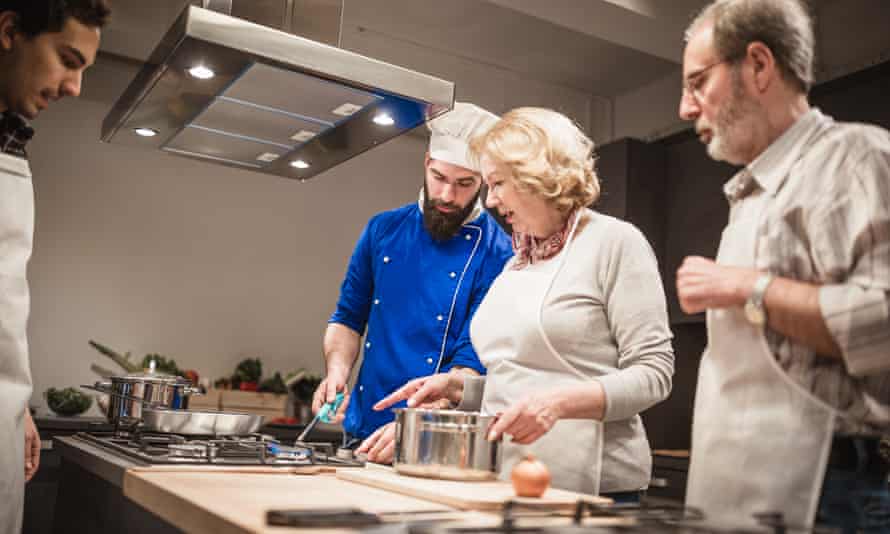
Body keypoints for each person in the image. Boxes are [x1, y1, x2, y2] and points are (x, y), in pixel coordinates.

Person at [368, 107, 675, 501]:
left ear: (536, 178)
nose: (491, 201)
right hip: (507, 475)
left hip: (597, 489)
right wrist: (461, 389)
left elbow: (654, 373)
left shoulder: (614, 243)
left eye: (497, 184)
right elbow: (518, 376)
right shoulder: (518, 260)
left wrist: (559, 403)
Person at [675, 0, 890, 530]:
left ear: (759, 66)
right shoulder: (750, 193)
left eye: (698, 82)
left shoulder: (855, 158)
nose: (685, 108)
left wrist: (750, 288)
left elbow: (883, 324)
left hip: (829, 495)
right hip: (736, 487)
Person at [312, 102, 513, 449]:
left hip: (438, 439)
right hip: (362, 427)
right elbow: (348, 317)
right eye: (439, 178)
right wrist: (337, 372)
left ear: (483, 181)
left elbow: (470, 360)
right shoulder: (383, 229)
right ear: (426, 164)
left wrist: (417, 424)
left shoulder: (498, 252)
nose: (448, 195)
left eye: (464, 183)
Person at [0, 1, 108, 532]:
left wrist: (13, 408)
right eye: (67, 60)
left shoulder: (10, 142)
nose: (74, 87)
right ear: (8, 31)